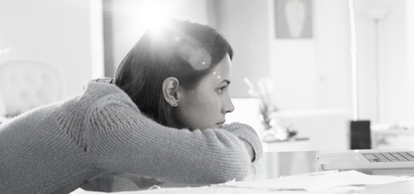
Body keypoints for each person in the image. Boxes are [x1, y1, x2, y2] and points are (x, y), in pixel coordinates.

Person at [0, 19, 263, 193]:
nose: (229, 106)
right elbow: (229, 162)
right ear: (172, 91)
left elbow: (120, 182)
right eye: (220, 89)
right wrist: (244, 144)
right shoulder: (108, 121)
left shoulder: (116, 109)